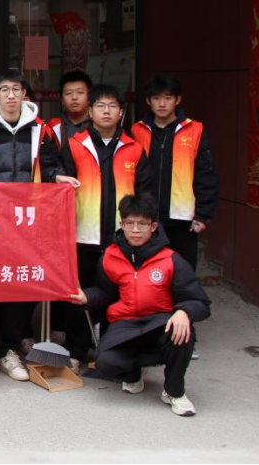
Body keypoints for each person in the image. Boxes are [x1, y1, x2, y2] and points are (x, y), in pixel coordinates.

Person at [69, 194, 211, 416]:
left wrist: (184, 312)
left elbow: (200, 302)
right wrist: (86, 297)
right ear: (122, 224)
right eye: (129, 223)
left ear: (153, 226)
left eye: (142, 224)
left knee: (182, 333)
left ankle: (174, 392)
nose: (135, 230)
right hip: (125, 325)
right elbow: (105, 292)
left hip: (160, 322)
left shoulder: (171, 259)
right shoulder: (110, 256)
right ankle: (134, 375)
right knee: (105, 362)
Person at [0, 69, 62, 383]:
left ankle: (9, 350)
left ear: (24, 94)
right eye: (4, 90)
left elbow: (50, 166)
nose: (10, 95)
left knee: (18, 286)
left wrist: (59, 177)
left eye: (16, 89)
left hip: (27, 221)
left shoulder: (41, 130)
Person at [55, 83, 153, 369]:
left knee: (118, 296)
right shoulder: (75, 146)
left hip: (121, 239)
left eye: (112, 106)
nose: (106, 111)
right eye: (100, 106)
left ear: (121, 112)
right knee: (78, 294)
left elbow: (145, 194)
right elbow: (59, 187)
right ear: (91, 112)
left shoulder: (134, 149)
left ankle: (112, 349)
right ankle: (76, 350)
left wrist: (139, 230)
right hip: (83, 235)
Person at [131, 74, 218, 360]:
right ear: (148, 101)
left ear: (178, 100)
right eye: (156, 98)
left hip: (182, 217)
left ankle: (185, 335)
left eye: (168, 98)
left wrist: (203, 214)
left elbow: (206, 174)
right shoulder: (138, 130)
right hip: (147, 217)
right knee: (147, 275)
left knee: (183, 277)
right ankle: (150, 332)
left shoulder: (194, 130)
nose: (162, 103)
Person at [49, 70, 94, 146]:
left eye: (80, 92)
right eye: (68, 93)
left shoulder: (99, 125)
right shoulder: (52, 128)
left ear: (89, 97)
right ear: (62, 100)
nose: (74, 97)